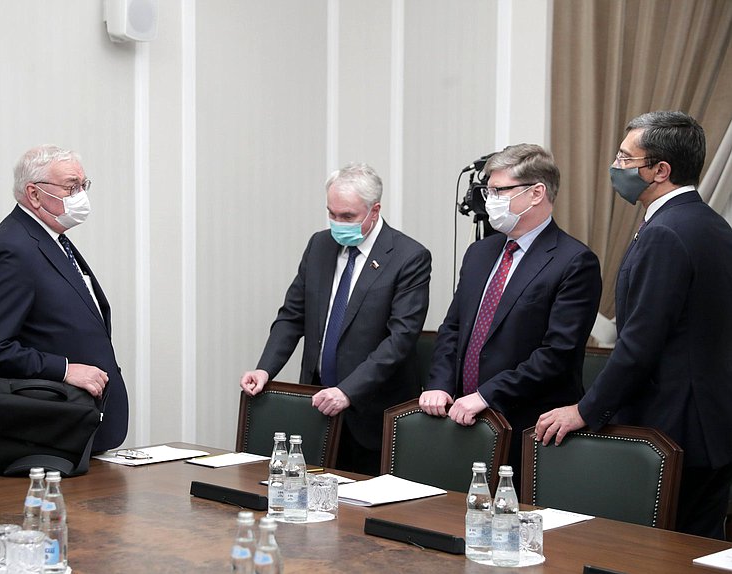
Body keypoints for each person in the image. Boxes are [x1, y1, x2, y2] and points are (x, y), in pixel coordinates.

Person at [535, 111, 732, 539]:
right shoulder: (713, 225)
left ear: (660, 170)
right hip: (712, 426)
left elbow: (640, 341)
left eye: (626, 159)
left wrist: (585, 409)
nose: (616, 167)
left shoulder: (666, 232)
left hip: (675, 428)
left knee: (655, 553)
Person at [420, 144, 602, 490]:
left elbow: (557, 354)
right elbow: (453, 328)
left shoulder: (574, 261)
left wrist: (487, 394)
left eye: (499, 190)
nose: (490, 199)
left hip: (527, 427)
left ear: (536, 193)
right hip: (461, 420)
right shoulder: (480, 252)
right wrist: (440, 384)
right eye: (488, 190)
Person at [240, 163, 432, 475]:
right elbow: (292, 315)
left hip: (370, 412)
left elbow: (400, 339)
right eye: (332, 214)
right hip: (317, 404)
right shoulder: (320, 245)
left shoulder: (408, 256)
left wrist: (348, 390)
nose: (337, 223)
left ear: (374, 210)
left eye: (347, 217)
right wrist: (266, 368)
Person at [0, 144, 128, 452]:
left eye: (83, 185)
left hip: (82, 426)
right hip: (48, 433)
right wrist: (65, 369)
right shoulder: (13, 249)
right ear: (35, 194)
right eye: (71, 187)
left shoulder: (51, 241)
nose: (81, 195)